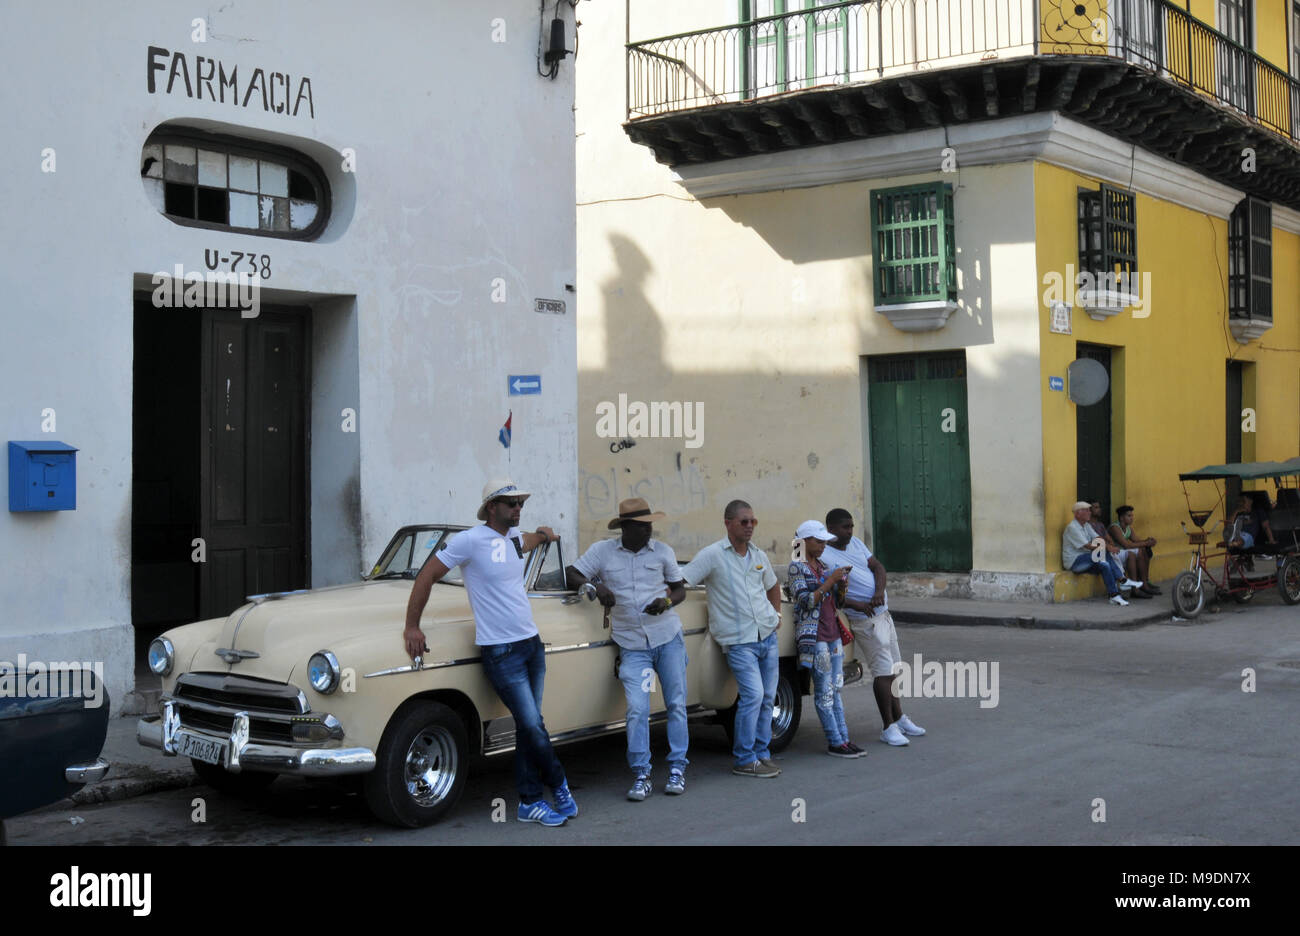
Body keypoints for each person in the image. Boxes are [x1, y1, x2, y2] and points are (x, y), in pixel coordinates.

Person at [403, 478, 577, 828]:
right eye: (511, 503)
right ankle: (559, 784)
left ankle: (529, 803)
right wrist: (412, 626)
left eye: (520, 504)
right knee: (530, 723)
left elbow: (527, 541)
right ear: (492, 507)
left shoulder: (513, 538)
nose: (517, 509)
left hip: (531, 643)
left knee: (531, 728)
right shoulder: (469, 541)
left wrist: (544, 535)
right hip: (501, 651)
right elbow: (426, 576)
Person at [566, 498, 689, 801]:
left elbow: (679, 589)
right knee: (637, 709)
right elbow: (572, 573)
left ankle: (677, 768)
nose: (649, 530)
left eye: (650, 525)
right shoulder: (603, 552)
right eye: (643, 525)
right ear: (626, 527)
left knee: (675, 703)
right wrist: (594, 588)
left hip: (667, 639)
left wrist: (667, 602)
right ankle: (642, 774)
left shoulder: (662, 552)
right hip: (634, 646)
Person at [681, 500, 784, 778]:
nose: (750, 526)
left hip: (766, 635)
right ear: (728, 523)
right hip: (739, 641)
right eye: (743, 521)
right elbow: (682, 580)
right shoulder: (713, 555)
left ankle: (761, 754)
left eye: (753, 521)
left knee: (766, 697)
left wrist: (776, 617)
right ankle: (743, 758)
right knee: (752, 695)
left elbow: (773, 585)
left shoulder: (759, 555)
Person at [820, 508, 925, 746]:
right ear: (831, 529)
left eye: (851, 526)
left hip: (883, 614)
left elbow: (877, 567)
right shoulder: (823, 554)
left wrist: (879, 592)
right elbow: (829, 594)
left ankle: (899, 718)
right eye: (845, 527)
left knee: (893, 669)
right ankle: (888, 727)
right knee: (882, 673)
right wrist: (858, 603)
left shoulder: (856, 543)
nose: (850, 531)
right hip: (864, 621)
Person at [787, 520, 863, 758]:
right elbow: (805, 601)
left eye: (823, 542)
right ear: (805, 541)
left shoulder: (820, 565)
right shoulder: (796, 567)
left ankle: (843, 738)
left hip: (832, 634)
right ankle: (834, 741)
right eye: (818, 541)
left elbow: (837, 603)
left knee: (835, 688)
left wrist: (841, 586)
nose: (822, 546)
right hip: (816, 636)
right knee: (824, 691)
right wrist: (830, 582)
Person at [1063, 501, 1132, 606]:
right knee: (1102, 553)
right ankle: (1121, 578)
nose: (1089, 513)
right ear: (1077, 514)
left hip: (1087, 559)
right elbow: (1089, 546)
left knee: (1105, 565)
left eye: (1089, 511)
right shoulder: (1072, 527)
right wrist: (1108, 547)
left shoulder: (1086, 525)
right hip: (1075, 562)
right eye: (1086, 511)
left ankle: (1114, 595)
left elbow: (1098, 538)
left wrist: (1107, 546)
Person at [1089, 501, 1148, 598]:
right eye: (1096, 507)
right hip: (1100, 553)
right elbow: (1097, 541)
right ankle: (1130, 588)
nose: (1099, 509)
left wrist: (1110, 545)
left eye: (1099, 507)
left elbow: (1109, 540)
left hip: (1111, 550)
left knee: (1138, 552)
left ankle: (1140, 585)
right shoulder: (1088, 526)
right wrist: (1108, 546)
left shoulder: (1100, 525)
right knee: (1127, 555)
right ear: (1089, 511)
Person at [1108, 505, 1160, 596]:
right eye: (1129, 516)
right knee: (1139, 550)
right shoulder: (1115, 528)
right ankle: (1138, 587)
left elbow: (1137, 541)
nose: (1132, 518)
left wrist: (1148, 541)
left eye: (1132, 516)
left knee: (1144, 549)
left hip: (1124, 553)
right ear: (1121, 518)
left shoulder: (1129, 528)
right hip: (1116, 554)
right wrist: (1145, 543)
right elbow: (1127, 545)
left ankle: (1144, 583)